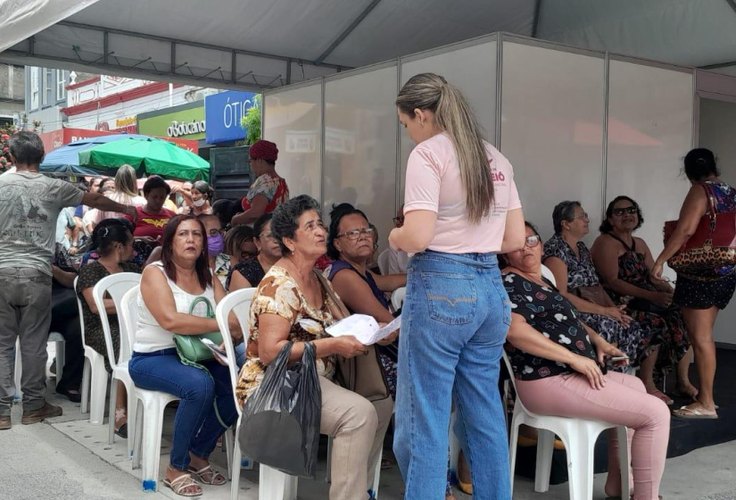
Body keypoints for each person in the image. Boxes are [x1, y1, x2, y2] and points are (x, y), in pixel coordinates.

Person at [388, 73, 525, 499]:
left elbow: (418, 236)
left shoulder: (428, 155)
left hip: (442, 285)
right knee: (484, 414)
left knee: (427, 419)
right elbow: (515, 240)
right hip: (490, 291)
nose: (408, 133)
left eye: (406, 124)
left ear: (421, 113)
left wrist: (394, 236)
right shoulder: (496, 158)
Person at [236, 195, 393, 500]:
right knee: (358, 413)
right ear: (290, 241)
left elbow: (342, 323)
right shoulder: (278, 286)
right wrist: (332, 344)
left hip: (315, 376)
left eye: (319, 224)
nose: (320, 231)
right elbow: (270, 353)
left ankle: (353, 487)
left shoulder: (318, 278)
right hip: (278, 383)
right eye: (310, 227)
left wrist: (372, 333)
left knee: (380, 404)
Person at [504, 222, 670, 500]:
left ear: (541, 243)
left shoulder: (541, 279)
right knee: (656, 414)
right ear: (505, 252)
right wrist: (575, 359)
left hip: (569, 373)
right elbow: (515, 331)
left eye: (531, 239)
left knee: (637, 387)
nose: (525, 247)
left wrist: (597, 341)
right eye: (515, 244)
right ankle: (646, 496)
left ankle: (618, 485)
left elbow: (567, 318)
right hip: (547, 379)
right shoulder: (508, 282)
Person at [0, 131, 137, 430]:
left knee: (3, 343)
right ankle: (34, 406)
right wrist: (125, 208)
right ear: (42, 157)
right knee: (34, 344)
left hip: (2, 272)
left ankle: (1, 412)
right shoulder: (53, 187)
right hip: (38, 273)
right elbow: (95, 198)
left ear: (11, 156)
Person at [128, 215, 236, 497]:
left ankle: (198, 453)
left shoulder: (209, 276)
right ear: (170, 241)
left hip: (200, 354)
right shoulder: (156, 272)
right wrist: (220, 326)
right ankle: (176, 467)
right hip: (153, 357)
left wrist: (227, 334)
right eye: (183, 234)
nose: (191, 240)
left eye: (197, 235)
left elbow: (232, 318)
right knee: (199, 385)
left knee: (242, 384)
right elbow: (171, 321)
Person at [543, 201, 659, 397]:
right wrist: (606, 312)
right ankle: (606, 386)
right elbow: (561, 295)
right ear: (566, 224)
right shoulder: (556, 251)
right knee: (610, 327)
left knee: (631, 324)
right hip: (572, 311)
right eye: (581, 216)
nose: (587, 219)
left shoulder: (582, 248)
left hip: (593, 306)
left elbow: (596, 286)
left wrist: (615, 310)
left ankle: (623, 382)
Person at [652, 148, 736, 419]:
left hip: (700, 272)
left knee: (701, 339)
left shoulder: (701, 191)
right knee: (705, 337)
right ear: (715, 166)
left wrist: (660, 260)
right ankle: (705, 396)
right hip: (725, 270)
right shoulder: (730, 192)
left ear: (687, 172)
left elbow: (686, 230)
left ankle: (707, 402)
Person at [591, 196, 695, 401]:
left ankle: (683, 381)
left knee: (685, 315)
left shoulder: (639, 243)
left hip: (647, 296)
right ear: (610, 219)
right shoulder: (605, 242)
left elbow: (651, 276)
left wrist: (669, 291)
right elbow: (613, 282)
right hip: (620, 302)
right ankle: (647, 383)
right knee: (653, 322)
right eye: (619, 212)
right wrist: (653, 296)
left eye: (631, 210)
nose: (627, 215)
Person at [325, 203, 404, 397]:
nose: (362, 236)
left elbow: (385, 281)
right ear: (337, 244)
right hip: (374, 362)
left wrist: (423, 275)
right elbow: (390, 324)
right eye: (352, 234)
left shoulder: (359, 270)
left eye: (366, 230)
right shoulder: (345, 275)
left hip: (380, 353)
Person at [78, 219, 141, 437]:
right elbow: (96, 306)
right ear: (118, 246)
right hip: (102, 328)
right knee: (126, 344)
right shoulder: (91, 272)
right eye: (131, 244)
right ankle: (119, 412)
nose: (134, 249)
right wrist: (130, 302)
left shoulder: (133, 269)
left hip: (132, 326)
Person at [231, 140, 289, 226]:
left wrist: (235, 219)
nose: (250, 165)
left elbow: (256, 213)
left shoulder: (265, 181)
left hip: (261, 234)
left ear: (259, 160)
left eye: (250, 161)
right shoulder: (281, 182)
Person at [228, 213, 281, 292]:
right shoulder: (244, 273)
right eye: (271, 235)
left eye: (283, 234)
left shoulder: (299, 265)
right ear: (257, 242)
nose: (277, 240)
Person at [126, 175, 177, 241]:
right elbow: (120, 235)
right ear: (146, 195)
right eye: (154, 197)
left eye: (162, 197)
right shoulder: (133, 214)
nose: (158, 201)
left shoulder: (172, 216)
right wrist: (138, 239)